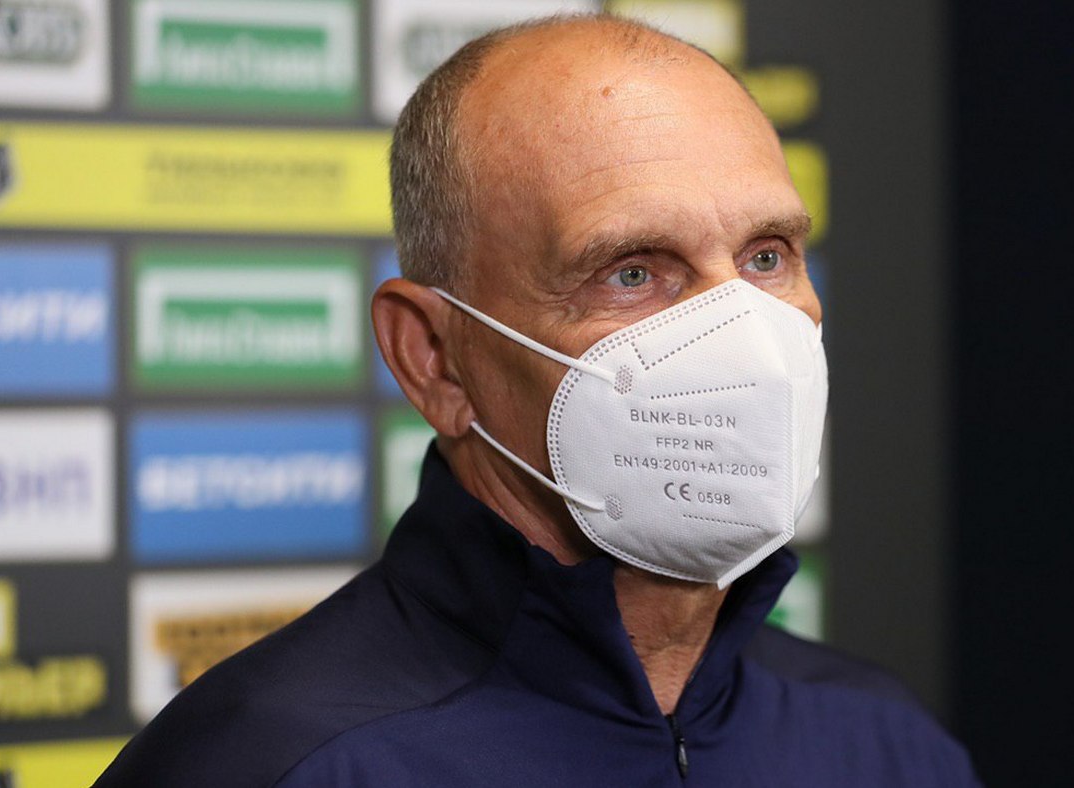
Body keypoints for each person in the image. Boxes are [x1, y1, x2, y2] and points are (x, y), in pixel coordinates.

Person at [96, 14, 979, 786]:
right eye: (632, 273)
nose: (744, 334)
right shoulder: (274, 763)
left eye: (767, 257)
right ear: (433, 358)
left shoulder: (885, 746)